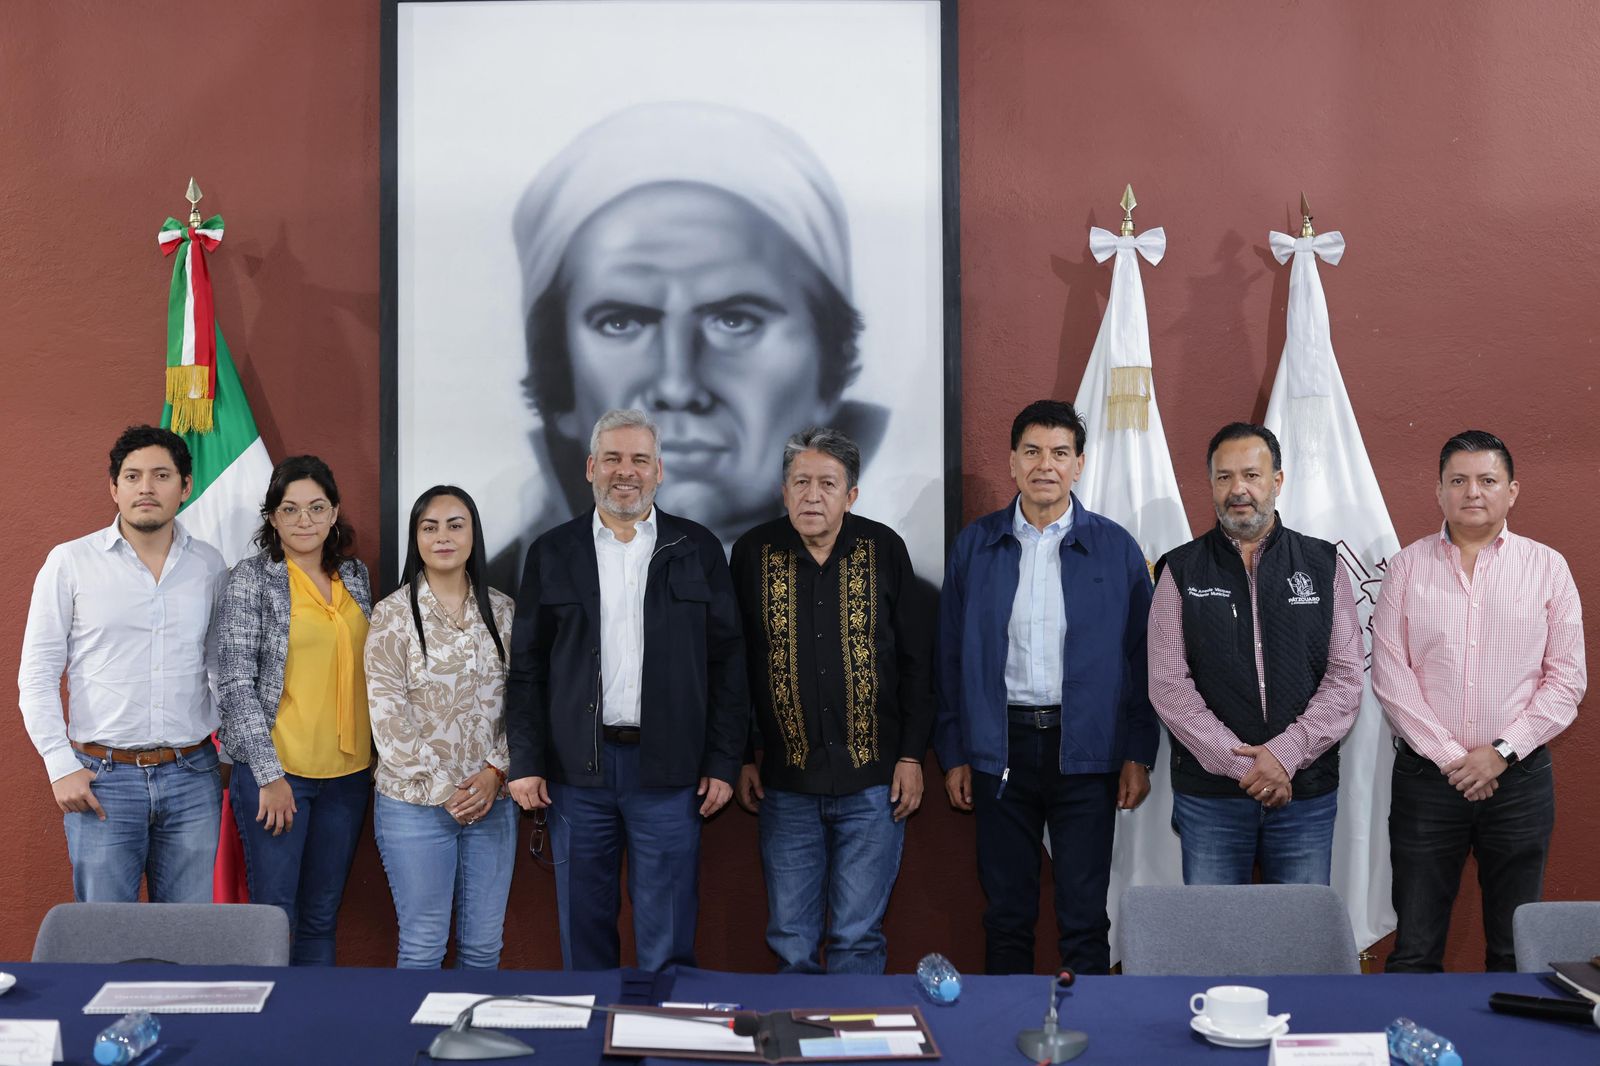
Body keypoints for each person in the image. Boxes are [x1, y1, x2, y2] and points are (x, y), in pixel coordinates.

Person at [505, 101, 875, 558]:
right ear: (558, 375)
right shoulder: (501, 594)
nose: (677, 387)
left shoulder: (890, 586)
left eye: (735, 321)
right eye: (621, 323)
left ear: (829, 366)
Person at [505, 408, 748, 971]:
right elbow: (528, 668)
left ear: (659, 471)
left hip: (669, 774)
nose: (626, 471)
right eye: (612, 458)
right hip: (576, 775)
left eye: (639, 459)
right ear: (591, 467)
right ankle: (594, 1025)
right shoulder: (552, 551)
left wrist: (723, 761)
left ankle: (661, 1025)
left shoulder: (697, 548)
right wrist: (526, 761)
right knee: (583, 926)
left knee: (668, 932)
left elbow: (728, 664)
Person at [934, 399, 1156, 976]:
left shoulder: (1116, 548)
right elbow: (950, 658)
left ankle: (1089, 1024)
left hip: (1086, 751)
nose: (1045, 465)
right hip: (1000, 750)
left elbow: (1142, 658)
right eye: (1032, 452)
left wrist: (1138, 752)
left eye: (1060, 453)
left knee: (1084, 917)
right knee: (1006, 915)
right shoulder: (975, 546)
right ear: (1012, 462)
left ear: (1079, 464)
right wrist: (955, 753)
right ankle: (1006, 1025)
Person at [1373, 430, 1585, 973]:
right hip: (1427, 781)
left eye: (1487, 480)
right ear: (1438, 491)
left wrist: (1500, 753)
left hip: (1519, 782)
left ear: (1511, 491)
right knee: (1415, 949)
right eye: (1458, 480)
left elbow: (1566, 682)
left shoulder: (1548, 568)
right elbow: (1392, 679)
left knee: (1516, 950)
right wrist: (1454, 759)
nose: (1473, 492)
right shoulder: (1406, 568)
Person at [731, 427, 933, 974]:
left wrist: (911, 756)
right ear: (784, 492)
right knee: (791, 940)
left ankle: (853, 1031)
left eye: (827, 484)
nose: (812, 496)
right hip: (785, 786)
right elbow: (736, 667)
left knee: (857, 937)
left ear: (851, 495)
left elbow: (916, 662)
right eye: (801, 483)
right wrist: (743, 756)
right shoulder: (752, 553)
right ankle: (796, 1031)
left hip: (874, 784)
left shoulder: (883, 549)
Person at [1148, 422, 1363, 885]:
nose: (1238, 489)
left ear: (1277, 481)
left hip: (1304, 794)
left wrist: (1284, 755)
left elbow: (1345, 678)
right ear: (1210, 484)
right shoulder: (1179, 570)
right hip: (1211, 799)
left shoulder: (1323, 565)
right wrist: (1244, 765)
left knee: (1300, 926)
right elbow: (1168, 685)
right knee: (1215, 928)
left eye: (1251, 475)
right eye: (1224, 477)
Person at [18, 425, 227, 902]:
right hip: (101, 780)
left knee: (187, 932)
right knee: (105, 933)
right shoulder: (70, 562)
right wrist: (59, 765)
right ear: (114, 488)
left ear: (185, 486)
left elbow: (219, 666)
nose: (146, 488)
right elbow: (37, 674)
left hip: (193, 777)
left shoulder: (209, 564)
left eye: (161, 475)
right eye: (132, 476)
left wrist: (228, 752)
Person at [216, 455, 373, 966]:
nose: (304, 520)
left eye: (316, 507)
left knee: (323, 915)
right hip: (280, 775)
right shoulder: (252, 579)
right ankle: (270, 1013)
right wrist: (269, 776)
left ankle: (315, 1012)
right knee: (275, 914)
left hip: (348, 777)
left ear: (335, 513)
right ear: (272, 517)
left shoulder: (355, 576)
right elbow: (235, 684)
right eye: (290, 509)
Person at [366, 486, 517, 969]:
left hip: (493, 803)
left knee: (484, 949)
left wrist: (495, 772)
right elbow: (387, 714)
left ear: (474, 534)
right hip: (415, 805)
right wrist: (446, 791)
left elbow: (524, 704)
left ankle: (474, 1023)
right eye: (429, 527)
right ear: (416, 539)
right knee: (423, 946)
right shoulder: (391, 615)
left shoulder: (504, 612)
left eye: (455, 525)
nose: (443, 537)